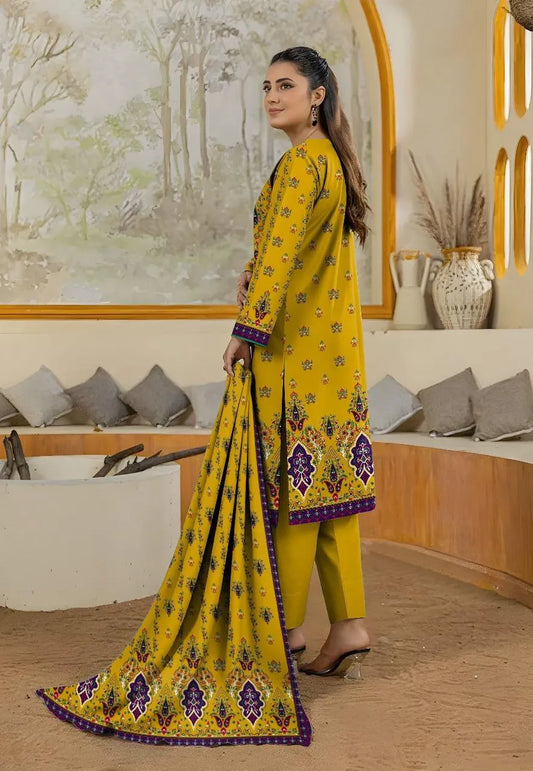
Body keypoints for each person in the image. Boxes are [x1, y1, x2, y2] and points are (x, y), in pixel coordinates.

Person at [223, 46, 376, 677]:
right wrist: (254, 272)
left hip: (295, 360)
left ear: (318, 95)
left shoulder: (299, 165)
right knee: (328, 496)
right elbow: (297, 256)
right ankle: (349, 625)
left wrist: (245, 331)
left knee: (293, 497)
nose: (272, 96)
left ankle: (283, 632)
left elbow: (282, 256)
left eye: (286, 85)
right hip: (336, 359)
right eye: (266, 86)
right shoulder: (332, 162)